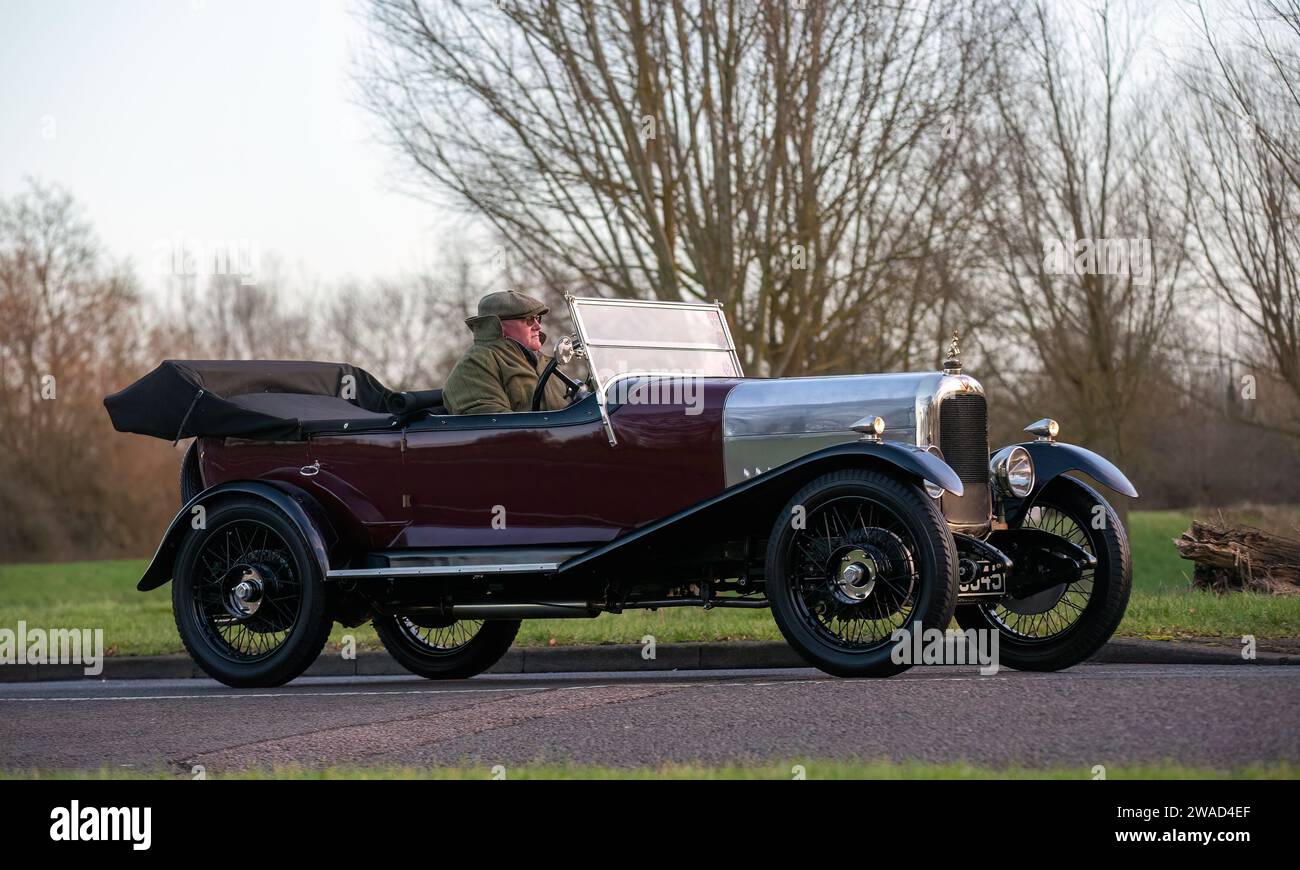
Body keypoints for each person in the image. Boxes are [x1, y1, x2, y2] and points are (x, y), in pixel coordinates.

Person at [442, 290, 572, 415]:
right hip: (533, 437)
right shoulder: (476, 362)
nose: (538, 326)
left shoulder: (548, 363)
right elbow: (494, 423)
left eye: (538, 318)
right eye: (529, 320)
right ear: (499, 325)